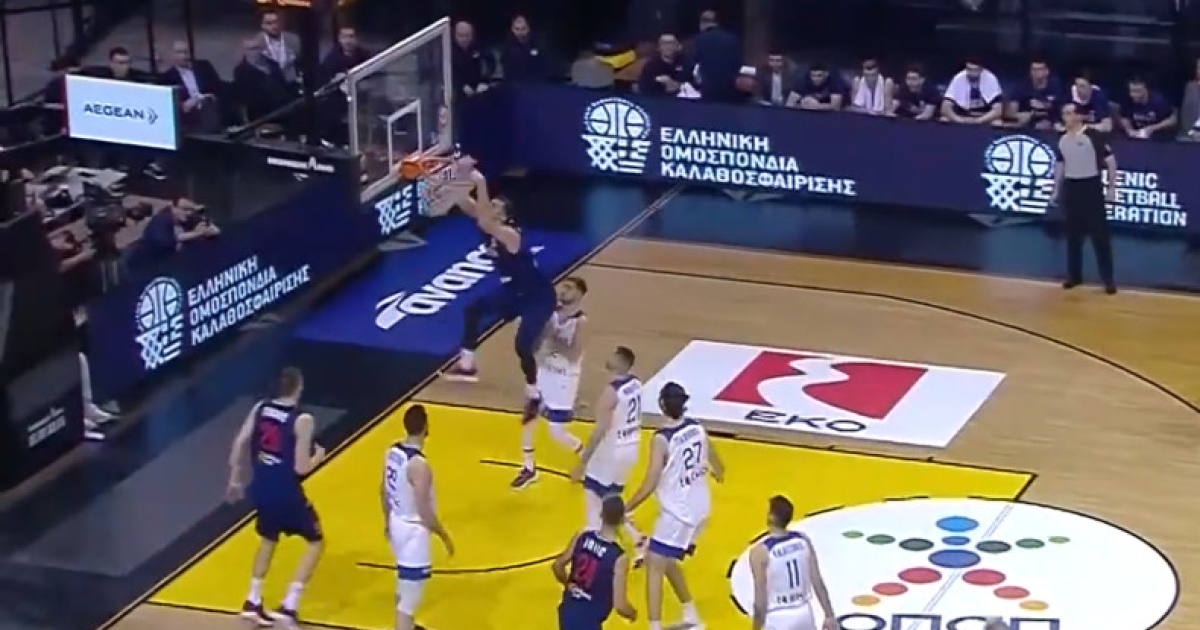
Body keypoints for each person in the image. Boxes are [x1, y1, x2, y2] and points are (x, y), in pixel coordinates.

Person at [444, 170, 559, 465]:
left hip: (537, 296)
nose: (490, 206)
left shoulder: (510, 234)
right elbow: (464, 202)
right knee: (473, 309)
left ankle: (534, 388)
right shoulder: (489, 223)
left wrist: (480, 181)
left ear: (505, 215)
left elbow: (483, 219)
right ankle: (467, 365)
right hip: (513, 292)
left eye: (495, 205)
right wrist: (451, 176)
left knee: (522, 346)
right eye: (490, 203)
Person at [227, 367, 326, 629]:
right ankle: (289, 605)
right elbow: (301, 468)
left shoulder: (261, 407)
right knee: (316, 542)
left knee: (268, 540)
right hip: (286, 492)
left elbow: (240, 442)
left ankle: (252, 600)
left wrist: (235, 478)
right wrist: (319, 456)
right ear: (299, 387)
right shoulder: (302, 419)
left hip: (261, 488)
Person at [626, 382, 725, 630]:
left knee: (653, 563)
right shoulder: (697, 427)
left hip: (679, 514)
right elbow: (717, 462)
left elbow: (650, 482)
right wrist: (715, 471)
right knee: (667, 559)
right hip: (701, 508)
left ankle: (654, 627)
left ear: (662, 405)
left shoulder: (661, 439)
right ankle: (691, 614)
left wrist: (628, 506)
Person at [511, 277, 590, 489]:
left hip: (563, 381)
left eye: (569, 288)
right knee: (528, 419)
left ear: (580, 294)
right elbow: (536, 344)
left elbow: (574, 355)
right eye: (562, 286)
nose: (563, 290)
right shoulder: (549, 313)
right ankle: (529, 468)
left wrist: (551, 341)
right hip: (543, 374)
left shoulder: (580, 322)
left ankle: (585, 455)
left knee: (557, 433)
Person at [382, 405, 454, 630]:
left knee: (404, 586)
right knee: (409, 601)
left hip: (396, 522)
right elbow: (424, 511)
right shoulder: (419, 466)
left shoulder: (392, 452)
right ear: (425, 427)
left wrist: (387, 522)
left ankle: (408, 626)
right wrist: (444, 536)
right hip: (413, 531)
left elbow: (383, 491)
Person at [569, 347, 645, 547]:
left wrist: (582, 462)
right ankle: (635, 538)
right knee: (611, 494)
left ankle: (597, 538)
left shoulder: (612, 393)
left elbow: (600, 430)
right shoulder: (636, 383)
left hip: (612, 450)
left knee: (593, 491)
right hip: (631, 446)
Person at [1050, 103, 1117, 294]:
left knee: (1099, 236)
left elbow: (1111, 161)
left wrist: (1112, 188)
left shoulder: (1093, 136)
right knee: (1073, 235)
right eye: (1064, 113)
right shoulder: (1062, 139)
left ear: (1079, 116)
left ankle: (1108, 279)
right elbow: (1060, 164)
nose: (1065, 117)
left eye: (1069, 113)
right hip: (1072, 187)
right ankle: (1074, 275)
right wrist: (1056, 189)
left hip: (1091, 186)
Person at [748, 496, 838, 630]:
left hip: (778, 617)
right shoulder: (803, 541)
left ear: (770, 517)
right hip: (804, 614)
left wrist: (755, 627)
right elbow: (817, 580)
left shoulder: (760, 552)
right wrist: (829, 614)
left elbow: (760, 600)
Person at [552, 495, 638, 630]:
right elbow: (620, 605)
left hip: (567, 611)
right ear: (622, 519)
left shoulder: (582, 536)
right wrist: (632, 613)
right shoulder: (619, 558)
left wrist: (567, 583)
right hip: (589, 620)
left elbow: (557, 566)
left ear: (601, 514)